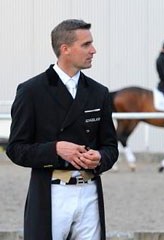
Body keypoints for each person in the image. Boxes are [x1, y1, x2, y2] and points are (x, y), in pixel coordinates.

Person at [6, 19, 119, 240]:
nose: (93, 50)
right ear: (65, 49)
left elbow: (110, 147)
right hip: (51, 194)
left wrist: (100, 157)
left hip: (89, 195)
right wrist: (55, 149)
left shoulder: (99, 92)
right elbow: (16, 149)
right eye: (86, 45)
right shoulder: (31, 91)